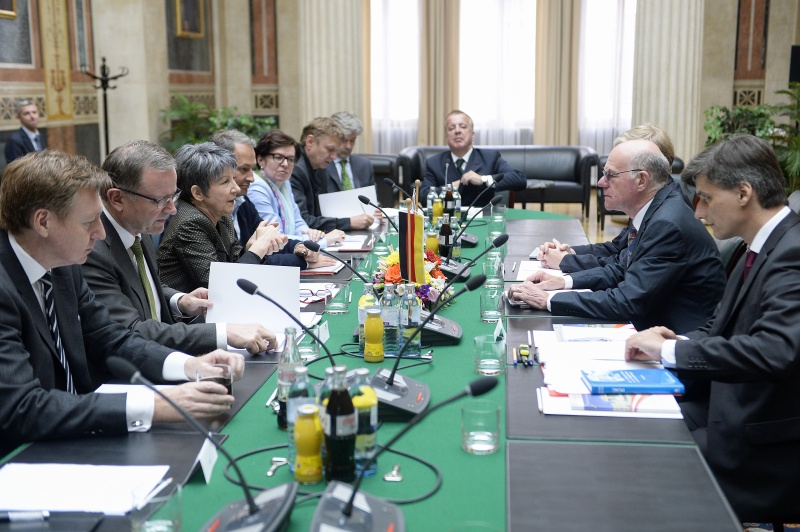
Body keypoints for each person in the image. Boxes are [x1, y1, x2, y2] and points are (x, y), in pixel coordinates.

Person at [0, 150, 243, 457]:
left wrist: (190, 365)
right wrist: (157, 405)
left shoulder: (63, 265)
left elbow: (112, 339)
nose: (100, 232)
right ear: (43, 222)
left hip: (76, 433)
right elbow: (23, 407)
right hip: (22, 458)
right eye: (89, 221)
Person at [624, 135, 800, 522]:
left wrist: (670, 352)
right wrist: (673, 339)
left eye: (705, 197)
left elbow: (773, 351)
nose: (698, 209)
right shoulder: (758, 245)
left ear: (743, 193)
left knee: (641, 467)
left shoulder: (792, 253)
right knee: (629, 426)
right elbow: (719, 326)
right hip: (730, 410)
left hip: (767, 447)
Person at [507, 139, 725, 335]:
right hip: (651, 325)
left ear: (641, 180)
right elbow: (621, 269)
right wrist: (562, 282)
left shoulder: (666, 223)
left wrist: (548, 300)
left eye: (610, 175)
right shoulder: (657, 209)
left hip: (675, 342)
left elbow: (627, 301)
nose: (601, 182)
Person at [83, 140, 278, 356]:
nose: (173, 209)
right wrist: (221, 333)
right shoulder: (93, 251)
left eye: (173, 196)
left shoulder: (140, 226)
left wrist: (179, 301)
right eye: (160, 200)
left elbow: (140, 290)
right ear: (117, 198)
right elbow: (131, 329)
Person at [535, 124, 677, 273]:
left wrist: (566, 261)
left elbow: (621, 269)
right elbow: (616, 248)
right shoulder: (649, 203)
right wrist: (569, 252)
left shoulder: (665, 220)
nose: (601, 182)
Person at [157, 142, 289, 293]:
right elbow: (222, 287)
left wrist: (251, 247)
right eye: (225, 182)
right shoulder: (189, 223)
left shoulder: (222, 215)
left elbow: (233, 265)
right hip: (187, 316)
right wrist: (259, 248)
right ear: (198, 193)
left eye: (233, 178)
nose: (236, 188)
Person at [208, 129, 334, 270]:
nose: (252, 178)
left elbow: (273, 238)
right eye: (243, 169)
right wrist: (304, 261)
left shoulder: (242, 200)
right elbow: (240, 266)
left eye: (291, 159)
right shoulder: (202, 217)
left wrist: (301, 246)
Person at [248, 129, 345, 247]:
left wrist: (310, 233)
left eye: (290, 159)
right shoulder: (256, 187)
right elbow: (275, 237)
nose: (285, 164)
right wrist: (323, 241)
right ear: (260, 160)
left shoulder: (284, 183)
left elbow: (298, 221)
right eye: (278, 157)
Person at [420, 110, 526, 208]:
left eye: (463, 126)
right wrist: (451, 188)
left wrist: (483, 180)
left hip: (483, 221)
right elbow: (424, 197)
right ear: (446, 137)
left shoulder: (490, 158)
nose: (457, 131)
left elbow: (519, 180)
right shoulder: (434, 163)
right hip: (448, 223)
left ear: (473, 135)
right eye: (452, 128)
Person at [291, 117, 375, 232]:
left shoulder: (320, 166)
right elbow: (302, 220)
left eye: (336, 151)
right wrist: (348, 222)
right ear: (310, 142)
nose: (334, 156)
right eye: (330, 149)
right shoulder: (295, 169)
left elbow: (322, 213)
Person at [326, 111, 375, 191]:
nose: (348, 146)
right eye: (344, 140)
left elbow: (372, 199)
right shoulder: (322, 166)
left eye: (352, 140)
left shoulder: (365, 166)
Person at [4, 100, 46, 165]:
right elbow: (14, 170)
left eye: (34, 112)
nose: (32, 116)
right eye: (26, 113)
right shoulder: (14, 140)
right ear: (19, 117)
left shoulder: (41, 136)